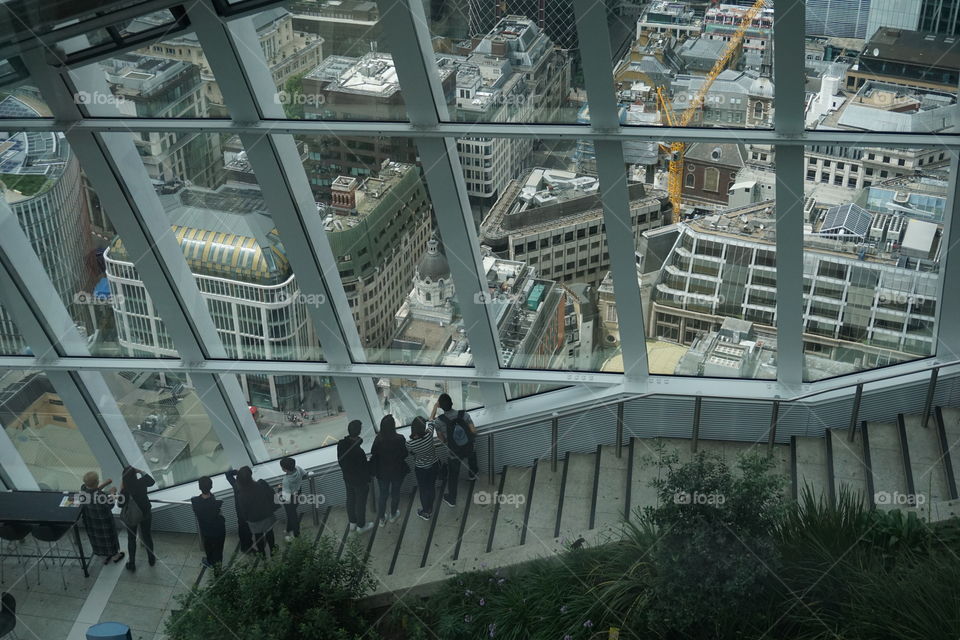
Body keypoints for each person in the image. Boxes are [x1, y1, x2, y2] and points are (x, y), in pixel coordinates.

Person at [431, 393, 479, 507]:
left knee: (453, 474)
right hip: (468, 447)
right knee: (472, 457)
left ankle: (452, 498)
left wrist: (434, 407)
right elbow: (473, 431)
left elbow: (442, 440)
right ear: (452, 403)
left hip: (454, 452)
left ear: (440, 406)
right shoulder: (464, 415)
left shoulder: (439, 422)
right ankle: (472, 474)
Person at [79, 471, 125, 565]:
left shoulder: (83, 490)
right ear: (97, 482)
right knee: (109, 539)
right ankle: (115, 556)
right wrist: (112, 493)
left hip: (91, 522)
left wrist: (105, 484)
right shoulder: (102, 496)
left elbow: (92, 491)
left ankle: (103, 555)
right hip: (105, 524)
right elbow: (111, 505)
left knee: (97, 539)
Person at [370, 415, 408, 527]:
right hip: (397, 472)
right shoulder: (400, 438)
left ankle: (382, 518)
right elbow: (405, 454)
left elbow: (373, 453)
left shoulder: (378, 439)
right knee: (395, 493)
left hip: (382, 473)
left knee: (383, 495)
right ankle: (393, 514)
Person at [337, 420, 374, 534]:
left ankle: (352, 522)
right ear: (359, 432)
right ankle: (361, 526)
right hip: (359, 481)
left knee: (350, 499)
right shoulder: (358, 452)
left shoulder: (341, 444)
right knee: (360, 503)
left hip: (348, 478)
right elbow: (364, 468)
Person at [234, 466, 278, 557]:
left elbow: (243, 510)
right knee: (269, 533)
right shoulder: (261, 484)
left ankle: (262, 554)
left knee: (258, 536)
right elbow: (271, 494)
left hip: (253, 519)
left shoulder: (241, 494)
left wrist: (247, 519)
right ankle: (273, 550)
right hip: (266, 514)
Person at [119, 466, 156, 572]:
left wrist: (121, 489)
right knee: (147, 536)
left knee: (131, 538)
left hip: (132, 516)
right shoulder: (142, 482)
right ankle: (151, 559)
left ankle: (132, 563)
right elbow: (152, 481)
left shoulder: (125, 490)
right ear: (135, 474)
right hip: (145, 513)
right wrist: (140, 471)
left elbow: (120, 504)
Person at [406, 416, 440, 520]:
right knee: (431, 486)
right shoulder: (429, 435)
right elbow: (431, 422)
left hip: (421, 469)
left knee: (423, 490)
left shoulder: (410, 443)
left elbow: (411, 453)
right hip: (433, 465)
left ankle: (426, 511)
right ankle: (430, 507)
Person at [191, 476, 226, 568]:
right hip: (219, 531)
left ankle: (210, 561)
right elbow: (220, 515)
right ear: (211, 486)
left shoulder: (194, 501)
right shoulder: (217, 503)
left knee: (208, 547)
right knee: (218, 551)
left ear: (199, 487)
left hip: (206, 531)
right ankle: (218, 569)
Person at [225, 467, 254, 553]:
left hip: (240, 512)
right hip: (249, 514)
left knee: (242, 528)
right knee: (248, 531)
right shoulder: (252, 487)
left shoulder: (236, 485)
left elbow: (228, 475)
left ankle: (244, 546)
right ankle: (248, 547)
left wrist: (237, 472)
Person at [279, 457, 305, 541]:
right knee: (290, 514)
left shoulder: (286, 480)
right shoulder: (298, 468)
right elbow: (305, 474)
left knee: (293, 516)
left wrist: (280, 489)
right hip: (298, 495)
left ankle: (296, 535)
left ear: (285, 469)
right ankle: (289, 529)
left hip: (290, 500)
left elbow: (286, 496)